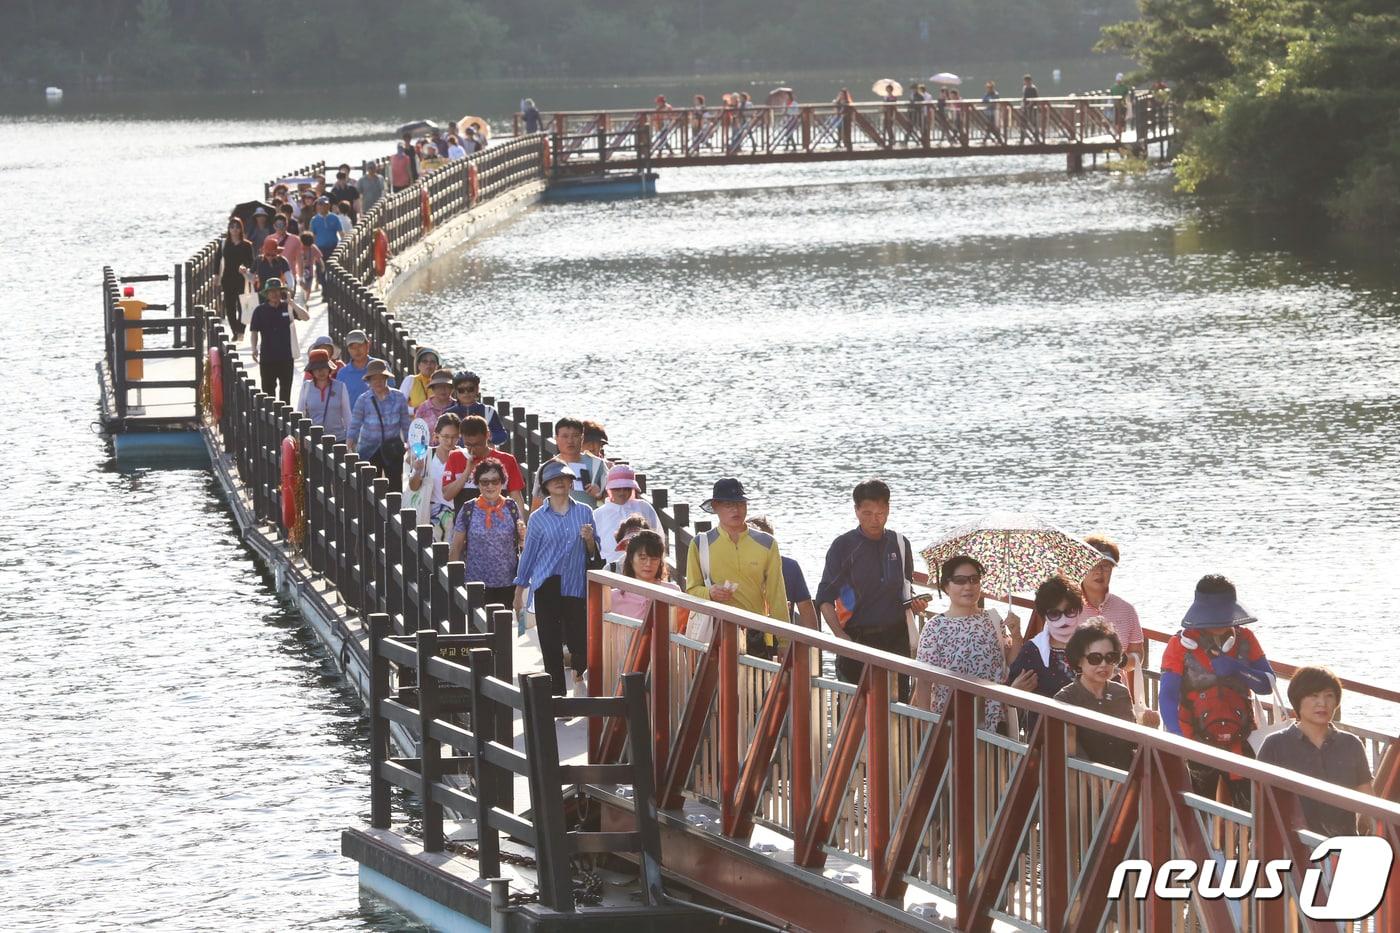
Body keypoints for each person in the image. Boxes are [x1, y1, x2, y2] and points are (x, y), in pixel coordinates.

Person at [1159, 574, 1276, 809]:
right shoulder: (1180, 646)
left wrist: (1238, 669)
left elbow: (1267, 684)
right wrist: (1176, 736)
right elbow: (1167, 694)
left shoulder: (1246, 638)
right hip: (1196, 741)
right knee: (1195, 813)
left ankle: (1243, 847)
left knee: (1252, 812)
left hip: (1240, 739)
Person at [815, 480, 928, 699]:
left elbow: (905, 588)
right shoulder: (843, 546)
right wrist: (839, 635)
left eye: (880, 513)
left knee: (898, 706)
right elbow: (825, 596)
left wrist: (915, 604)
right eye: (867, 513)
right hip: (857, 638)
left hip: (896, 638)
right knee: (854, 708)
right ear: (856, 510)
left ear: (888, 510)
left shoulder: (900, 543)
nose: (874, 520)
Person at [514, 461, 599, 695]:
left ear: (572, 482)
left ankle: (578, 672)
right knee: (550, 645)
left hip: (575, 584)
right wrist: (519, 591)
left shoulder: (585, 511)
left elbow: (594, 554)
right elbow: (528, 555)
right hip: (546, 584)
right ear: (545, 486)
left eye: (564, 478)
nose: (560, 482)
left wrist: (590, 540)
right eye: (554, 480)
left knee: (580, 642)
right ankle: (557, 696)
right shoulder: (538, 518)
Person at [1258, 667, 1373, 837]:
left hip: (1342, 845)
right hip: (1293, 847)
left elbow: (1368, 801)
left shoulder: (1351, 744)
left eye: (1329, 696)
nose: (1322, 703)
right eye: (1314, 696)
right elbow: (1261, 803)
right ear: (1297, 700)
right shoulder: (1275, 744)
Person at [913, 556, 1021, 732]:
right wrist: (926, 725)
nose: (968, 586)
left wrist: (1016, 635)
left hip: (994, 718)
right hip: (951, 718)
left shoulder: (992, 618)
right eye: (960, 581)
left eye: (974, 579)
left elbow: (1009, 662)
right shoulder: (935, 627)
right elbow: (924, 681)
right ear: (946, 586)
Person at [684, 478, 788, 658]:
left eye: (740, 503)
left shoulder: (767, 543)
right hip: (715, 631)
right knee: (718, 686)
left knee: (757, 687)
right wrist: (709, 593)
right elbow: (691, 589)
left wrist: (785, 641)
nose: (736, 509)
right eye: (728, 504)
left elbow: (777, 595)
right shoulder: (700, 543)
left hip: (756, 631)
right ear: (715, 506)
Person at [1055, 619, 1140, 770]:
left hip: (1124, 782)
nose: (1103, 664)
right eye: (1095, 658)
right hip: (1086, 785)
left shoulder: (1120, 692)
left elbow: (1132, 742)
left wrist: (1149, 727)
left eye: (1110, 658)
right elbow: (1072, 755)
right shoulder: (1065, 699)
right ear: (1079, 660)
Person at [1006, 575, 1084, 731]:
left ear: (1079, 610)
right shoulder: (1033, 650)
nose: (1063, 619)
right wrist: (1014, 691)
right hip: (1046, 736)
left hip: (1090, 735)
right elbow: (1009, 697)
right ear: (1044, 616)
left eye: (1069, 611)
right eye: (1055, 614)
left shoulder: (1092, 645)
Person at [450, 457, 526, 610]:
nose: (490, 486)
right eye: (484, 482)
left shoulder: (512, 506)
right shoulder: (468, 509)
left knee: (506, 629)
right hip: (476, 584)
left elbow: (522, 543)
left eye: (495, 481)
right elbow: (456, 547)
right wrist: (452, 582)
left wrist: (523, 535)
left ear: (502, 482)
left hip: (508, 582)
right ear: (477, 483)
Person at [1077, 535, 1145, 678]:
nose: (1099, 571)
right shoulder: (1067, 607)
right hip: (1072, 689)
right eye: (1092, 564)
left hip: (1114, 690)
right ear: (1081, 566)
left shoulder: (1126, 610)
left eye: (1106, 566)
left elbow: (1138, 655)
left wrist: (1120, 660)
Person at [347, 359, 413, 489]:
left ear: (386, 378)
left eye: (381, 378)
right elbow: (355, 423)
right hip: (369, 449)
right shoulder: (363, 399)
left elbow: (406, 424)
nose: (377, 382)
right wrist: (350, 441)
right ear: (369, 381)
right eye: (374, 379)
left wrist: (410, 445)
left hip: (392, 448)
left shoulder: (399, 397)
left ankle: (395, 509)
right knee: (371, 487)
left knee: (395, 485)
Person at [747, 516, 817, 629]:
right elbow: (807, 611)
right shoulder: (790, 566)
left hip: (779, 634)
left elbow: (806, 609)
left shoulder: (790, 567)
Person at [407, 413, 469, 540]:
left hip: (458, 514)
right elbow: (413, 487)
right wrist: (417, 470)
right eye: (445, 436)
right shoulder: (427, 454)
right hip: (431, 514)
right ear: (436, 435)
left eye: (454, 437)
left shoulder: (465, 456)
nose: (450, 441)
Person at [607, 530, 683, 629]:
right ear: (630, 559)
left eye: (654, 559)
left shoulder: (673, 592)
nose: (648, 564)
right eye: (643, 558)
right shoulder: (614, 597)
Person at [247, 277, 303, 404]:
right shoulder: (259, 311)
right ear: (266, 294)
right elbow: (254, 331)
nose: (274, 294)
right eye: (271, 291)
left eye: (277, 291)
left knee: (285, 392)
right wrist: (254, 348)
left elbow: (305, 316)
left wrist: (292, 303)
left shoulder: (287, 308)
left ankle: (285, 421)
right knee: (268, 394)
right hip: (267, 357)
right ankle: (269, 423)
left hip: (286, 356)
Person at [593, 465, 662, 566]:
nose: (622, 492)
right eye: (617, 488)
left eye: (626, 488)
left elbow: (658, 536)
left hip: (643, 567)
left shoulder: (643, 507)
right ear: (609, 490)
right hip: (611, 569)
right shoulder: (598, 514)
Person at [530, 417, 607, 508]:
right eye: (565, 436)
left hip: (589, 520)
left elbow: (616, 499)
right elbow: (537, 506)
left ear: (582, 438)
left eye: (575, 436)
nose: (570, 441)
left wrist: (600, 495)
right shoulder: (547, 468)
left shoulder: (597, 464)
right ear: (556, 439)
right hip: (556, 520)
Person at [460, 415, 527, 514]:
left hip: (499, 521)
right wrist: (466, 473)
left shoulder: (507, 460)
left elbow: (516, 496)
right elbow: (447, 495)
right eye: (468, 445)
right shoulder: (456, 456)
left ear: (487, 435)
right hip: (465, 521)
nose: (473, 449)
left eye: (477, 444)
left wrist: (520, 522)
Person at [296, 349, 352, 438]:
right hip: (314, 440)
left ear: (329, 368)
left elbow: (347, 415)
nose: (320, 371)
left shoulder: (340, 387)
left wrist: (351, 438)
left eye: (323, 367)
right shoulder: (306, 387)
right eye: (316, 368)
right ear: (312, 371)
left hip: (338, 439)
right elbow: (299, 414)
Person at [444, 371, 509, 448]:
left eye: (470, 389)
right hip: (456, 455)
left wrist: (489, 436)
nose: (466, 393)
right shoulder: (448, 413)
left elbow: (502, 436)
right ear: (455, 392)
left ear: (477, 389)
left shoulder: (488, 411)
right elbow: (442, 437)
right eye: (461, 390)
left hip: (484, 456)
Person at [217, 216, 255, 340]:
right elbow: (217, 261)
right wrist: (216, 276)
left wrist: (245, 267)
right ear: (228, 228)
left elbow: (251, 262)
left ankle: (241, 330)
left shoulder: (246, 245)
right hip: (227, 278)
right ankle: (235, 331)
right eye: (232, 226)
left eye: (237, 227)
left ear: (241, 229)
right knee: (230, 307)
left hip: (242, 278)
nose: (234, 229)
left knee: (243, 305)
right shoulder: (224, 244)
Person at [334, 330, 377, 403]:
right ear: (348, 350)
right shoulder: (342, 374)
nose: (357, 350)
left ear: (368, 345)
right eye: (352, 347)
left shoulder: (380, 366)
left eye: (360, 346)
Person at [413, 369, 456, 436]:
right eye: (439, 386)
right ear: (433, 388)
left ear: (452, 388)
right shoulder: (423, 408)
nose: (443, 389)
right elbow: (414, 434)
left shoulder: (457, 406)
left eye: (446, 386)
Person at [399, 346, 441, 410]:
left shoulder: (441, 383)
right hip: (415, 418)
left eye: (432, 362)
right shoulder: (410, 380)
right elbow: (399, 406)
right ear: (418, 365)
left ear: (437, 366)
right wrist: (414, 410)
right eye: (424, 361)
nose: (428, 364)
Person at [295, 231, 322, 301]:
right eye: (305, 245)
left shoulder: (313, 248)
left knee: (309, 286)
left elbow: (319, 257)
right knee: (301, 284)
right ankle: (304, 296)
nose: (306, 247)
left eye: (308, 246)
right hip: (299, 270)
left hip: (310, 270)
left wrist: (322, 265)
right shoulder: (298, 248)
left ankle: (306, 299)